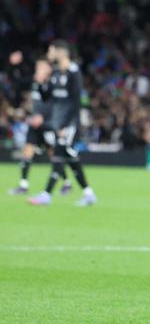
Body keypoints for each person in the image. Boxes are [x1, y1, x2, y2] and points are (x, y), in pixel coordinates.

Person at [28, 41, 97, 206]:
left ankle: (46, 195)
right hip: (58, 124)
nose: (49, 53)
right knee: (70, 158)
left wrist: (65, 126)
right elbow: (47, 97)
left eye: (51, 50)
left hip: (69, 124)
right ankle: (88, 194)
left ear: (62, 52)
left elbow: (75, 102)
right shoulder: (56, 73)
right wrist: (40, 82)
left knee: (59, 156)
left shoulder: (74, 73)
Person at [8, 54, 55, 195]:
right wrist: (13, 66)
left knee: (54, 154)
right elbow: (16, 82)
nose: (38, 69)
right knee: (27, 151)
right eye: (37, 67)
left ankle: (66, 182)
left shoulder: (54, 84)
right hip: (34, 124)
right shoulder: (34, 82)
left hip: (48, 124)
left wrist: (44, 117)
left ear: (49, 69)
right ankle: (23, 185)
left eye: (41, 67)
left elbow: (55, 104)